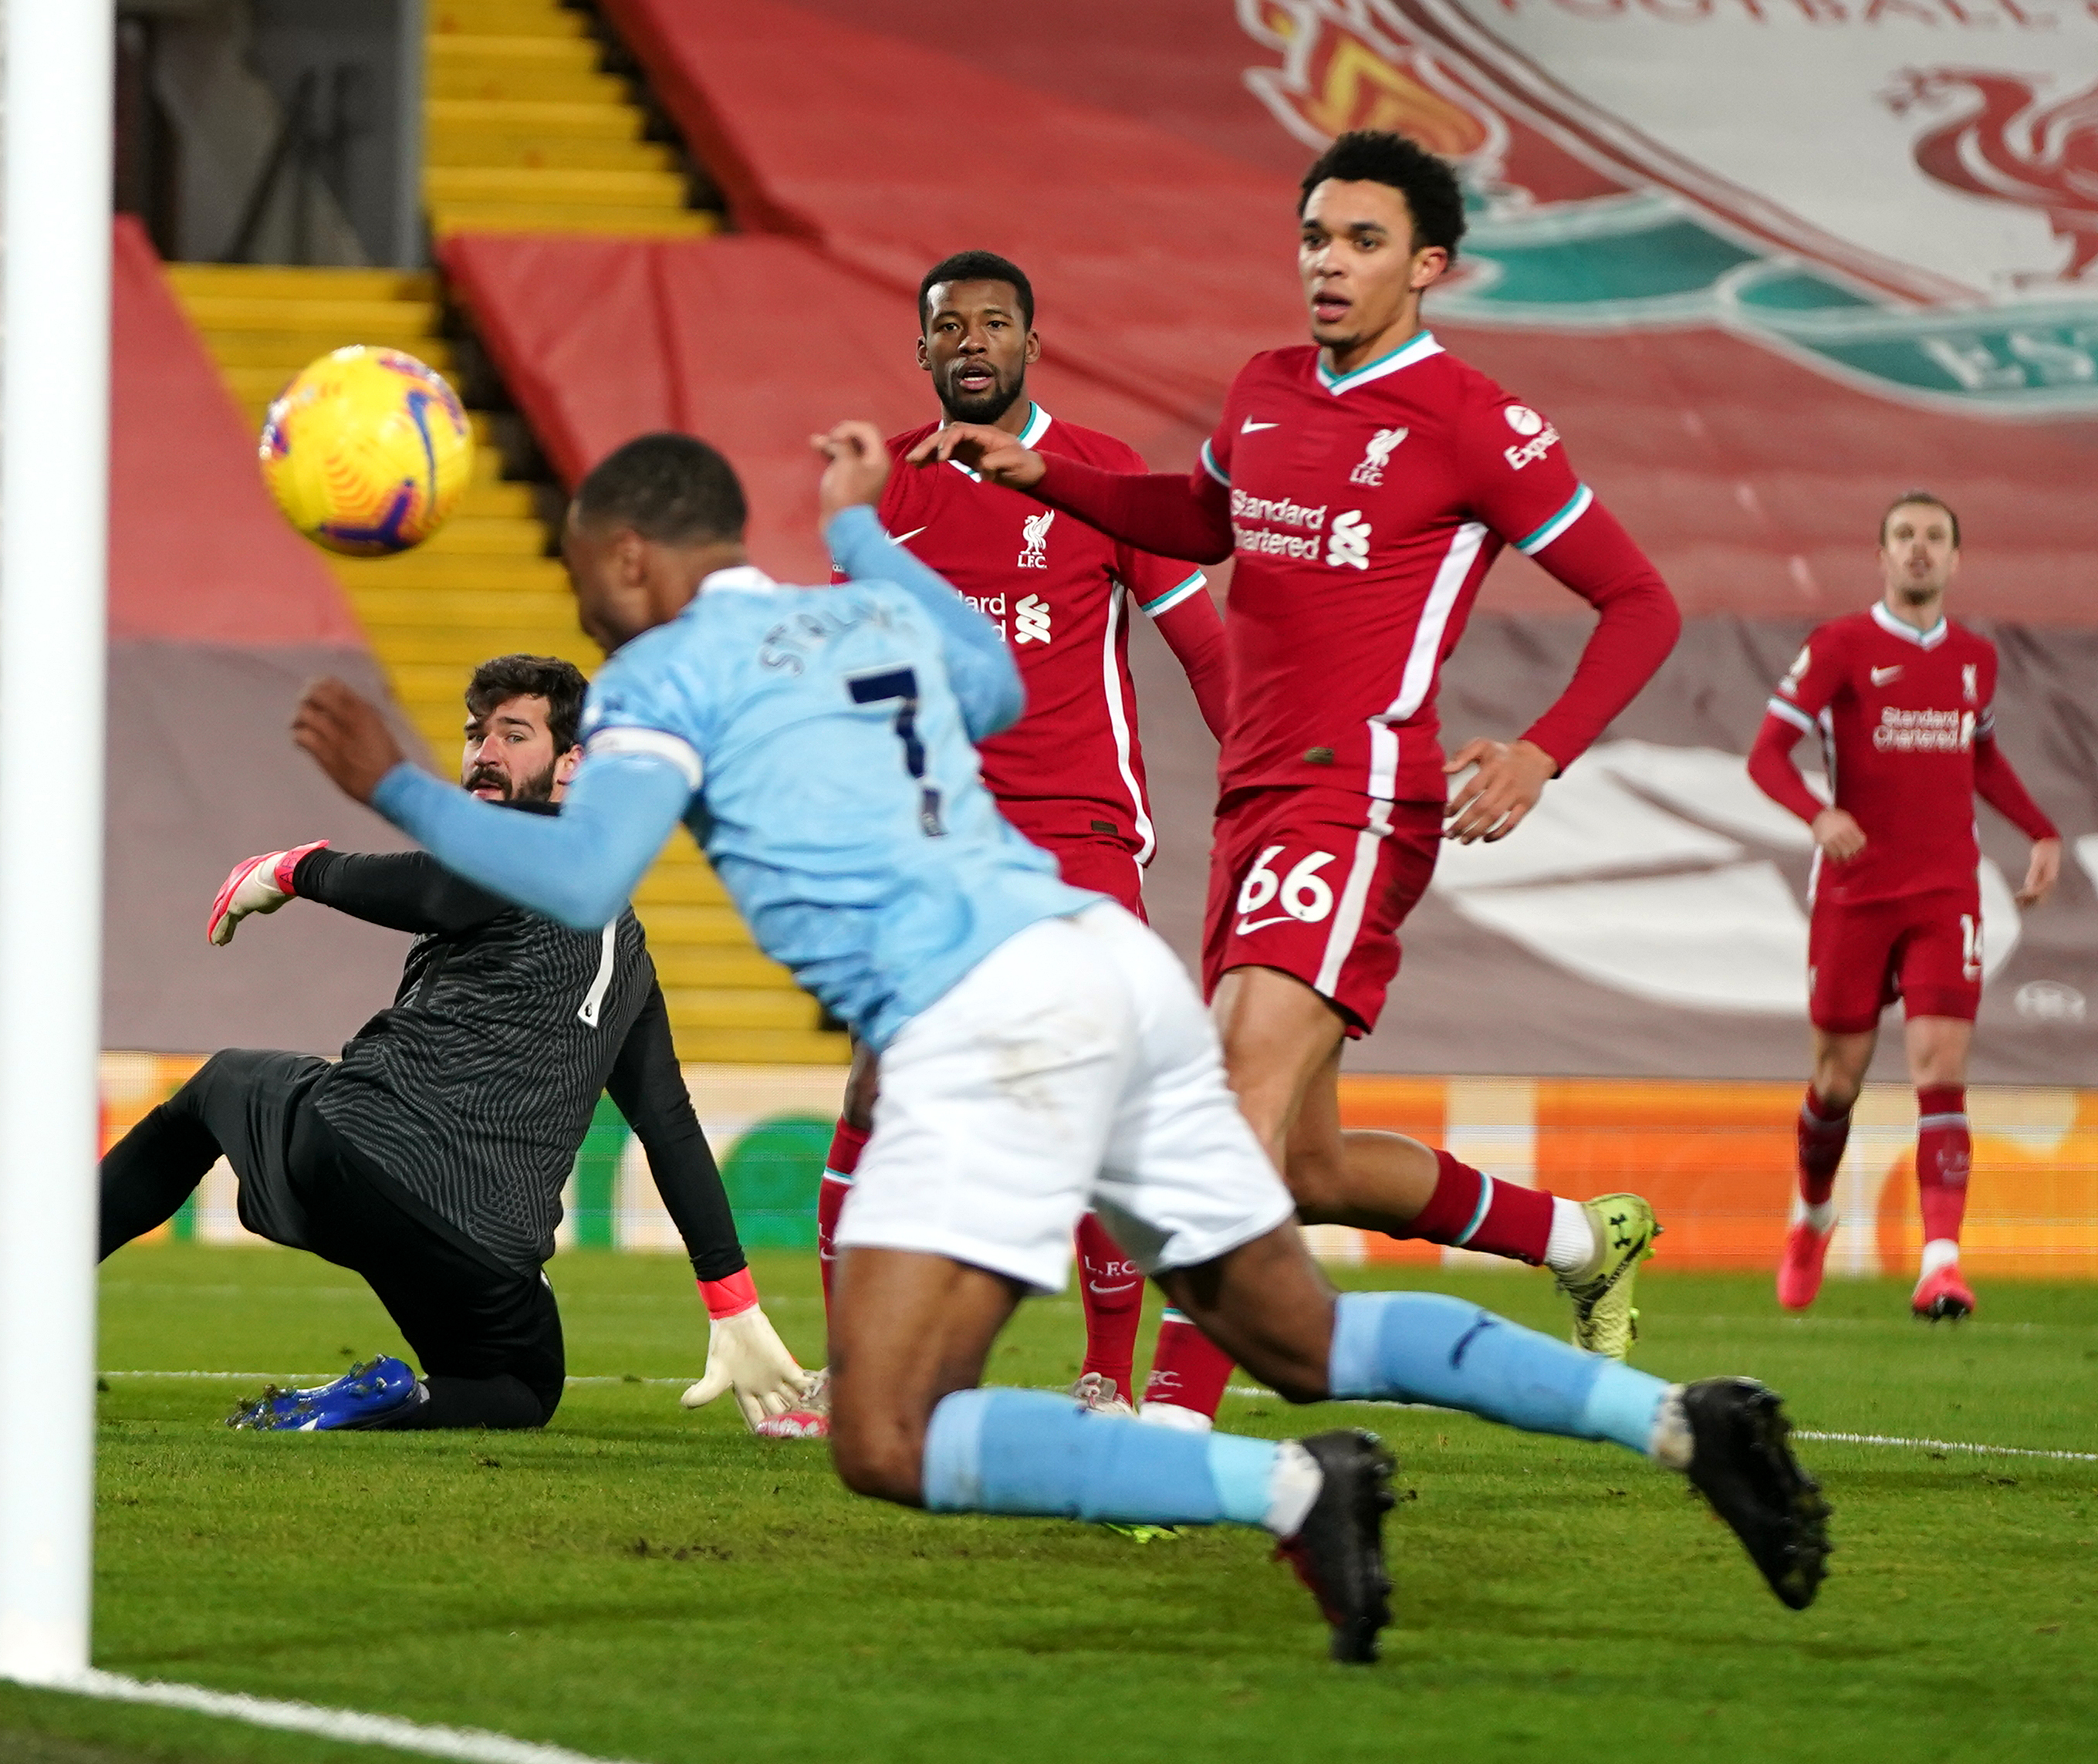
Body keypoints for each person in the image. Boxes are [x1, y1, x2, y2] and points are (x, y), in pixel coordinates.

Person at [289, 427, 1829, 1662]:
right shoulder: (859, 603)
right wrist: (865, 535)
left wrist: (395, 789)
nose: (580, 604)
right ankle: (1689, 1425)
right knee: (1304, 1339)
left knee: (888, 1433)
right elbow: (1001, 682)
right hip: (1109, 968)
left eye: (581, 575)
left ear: (630, 556)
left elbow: (572, 876)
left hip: (984, 1023)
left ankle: (1295, 1489)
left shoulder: (659, 680)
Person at [911, 130, 1686, 1424]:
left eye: (1362, 242)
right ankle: (1578, 1240)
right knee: (1307, 1161)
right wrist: (1050, 474)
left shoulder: (1473, 423)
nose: (1327, 264)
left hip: (1363, 796)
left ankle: (1171, 1432)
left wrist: (1545, 748)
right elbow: (1203, 521)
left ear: (1428, 266)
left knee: (1225, 1108)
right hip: (1256, 803)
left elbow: (1640, 602)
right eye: (1315, 238)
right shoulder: (1265, 386)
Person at [0, 656, 809, 1433]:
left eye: (515, 735)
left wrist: (296, 869)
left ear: (573, 765)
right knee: (517, 1387)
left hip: (360, 1157)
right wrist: (730, 1301)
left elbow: (436, 890)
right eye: (476, 733)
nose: (482, 753)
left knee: (215, 1090)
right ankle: (398, 1399)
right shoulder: (631, 960)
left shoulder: (533, 847)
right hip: (482, 1242)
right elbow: (669, 1123)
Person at [813, 249, 1233, 1418]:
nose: (973, 343)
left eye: (996, 324)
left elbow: (1204, 646)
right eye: (951, 327)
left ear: (1032, 346)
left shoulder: (1098, 474)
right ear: (924, 352)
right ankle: (857, 1375)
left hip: (1077, 827)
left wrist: (1265, 778)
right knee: (874, 1091)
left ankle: (1107, 1369)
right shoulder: (885, 490)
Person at [1747, 492, 2062, 1322]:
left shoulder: (1974, 659)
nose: (1919, 550)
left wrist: (2038, 829)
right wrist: (1818, 815)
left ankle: (1941, 1264)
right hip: (1854, 895)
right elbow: (1766, 753)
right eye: (1904, 537)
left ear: (1956, 560)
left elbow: (1981, 754)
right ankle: (1812, 1217)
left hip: (1945, 890)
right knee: (1835, 1085)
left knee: (1940, 1071)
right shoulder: (1840, 646)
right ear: (1881, 555)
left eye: (1934, 538)